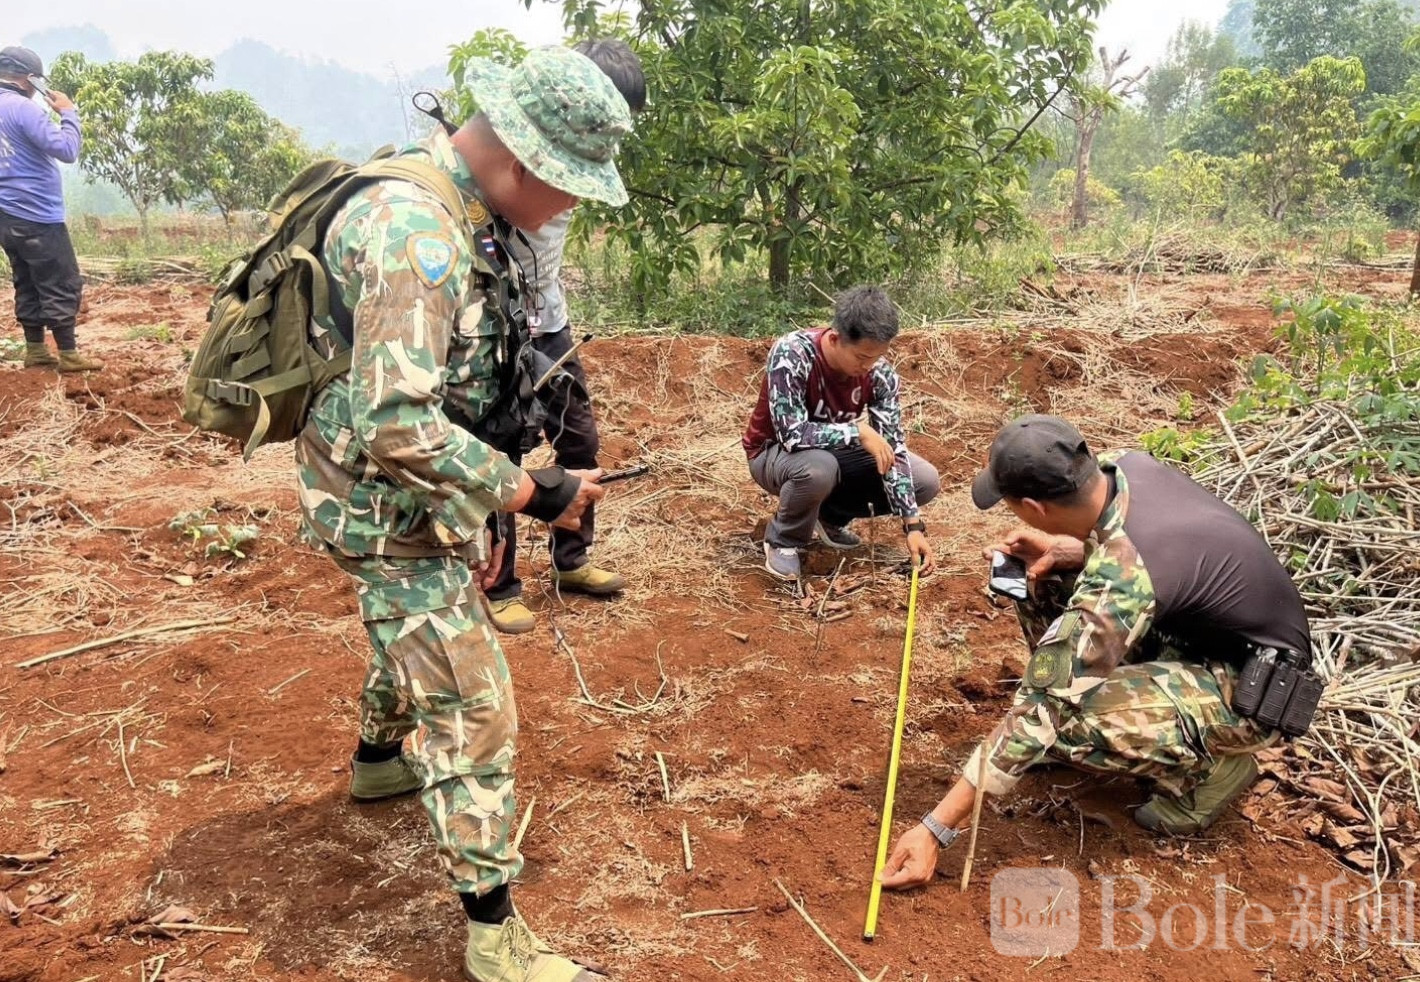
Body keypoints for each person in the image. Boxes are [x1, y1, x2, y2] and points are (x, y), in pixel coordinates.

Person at [295, 47, 630, 980]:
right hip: (378, 499)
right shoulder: (419, 234)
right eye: (567, 188)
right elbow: (396, 422)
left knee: (413, 633)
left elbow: (444, 395)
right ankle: (495, 938)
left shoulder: (457, 201)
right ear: (523, 162)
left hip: (399, 488)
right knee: (474, 704)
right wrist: (530, 492)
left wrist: (476, 504)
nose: (565, 210)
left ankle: (377, 761)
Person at [881, 414, 1310, 891]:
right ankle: (1124, 709)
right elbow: (1149, 559)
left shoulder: (1125, 577)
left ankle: (1216, 766)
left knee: (1059, 722)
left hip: (1250, 692)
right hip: (1199, 640)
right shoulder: (1126, 467)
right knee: (1048, 581)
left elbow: (1042, 709)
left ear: (1034, 507)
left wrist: (935, 828)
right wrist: (1070, 548)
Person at [484, 38, 647, 635]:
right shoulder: (519, 158)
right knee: (501, 448)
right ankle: (499, 583)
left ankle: (571, 560)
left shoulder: (584, 159)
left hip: (549, 320)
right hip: (498, 330)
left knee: (579, 441)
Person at [743, 285, 939, 581]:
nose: (868, 367)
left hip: (831, 455)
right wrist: (856, 432)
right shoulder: (793, 353)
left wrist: (913, 526)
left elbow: (894, 448)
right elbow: (791, 435)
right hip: (773, 454)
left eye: (877, 357)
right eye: (861, 357)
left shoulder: (879, 373)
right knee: (819, 469)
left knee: (923, 480)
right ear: (835, 339)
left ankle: (829, 518)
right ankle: (783, 539)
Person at [0, 46, 101, 372]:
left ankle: (36, 350)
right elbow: (66, 149)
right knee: (60, 281)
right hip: (38, 213)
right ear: (30, 79)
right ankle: (69, 354)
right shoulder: (23, 109)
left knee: (27, 280)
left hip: (5, 215)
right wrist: (69, 113)